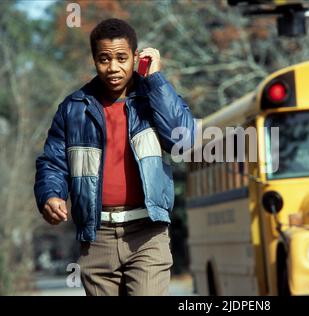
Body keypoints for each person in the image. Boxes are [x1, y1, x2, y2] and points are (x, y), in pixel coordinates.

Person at [34, 18, 196, 296]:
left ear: (136, 57)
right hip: (97, 237)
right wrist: (51, 195)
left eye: (122, 58)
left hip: (148, 233)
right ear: (94, 60)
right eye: (104, 59)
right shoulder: (73, 109)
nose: (113, 68)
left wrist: (155, 79)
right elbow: (52, 162)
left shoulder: (153, 99)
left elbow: (185, 140)